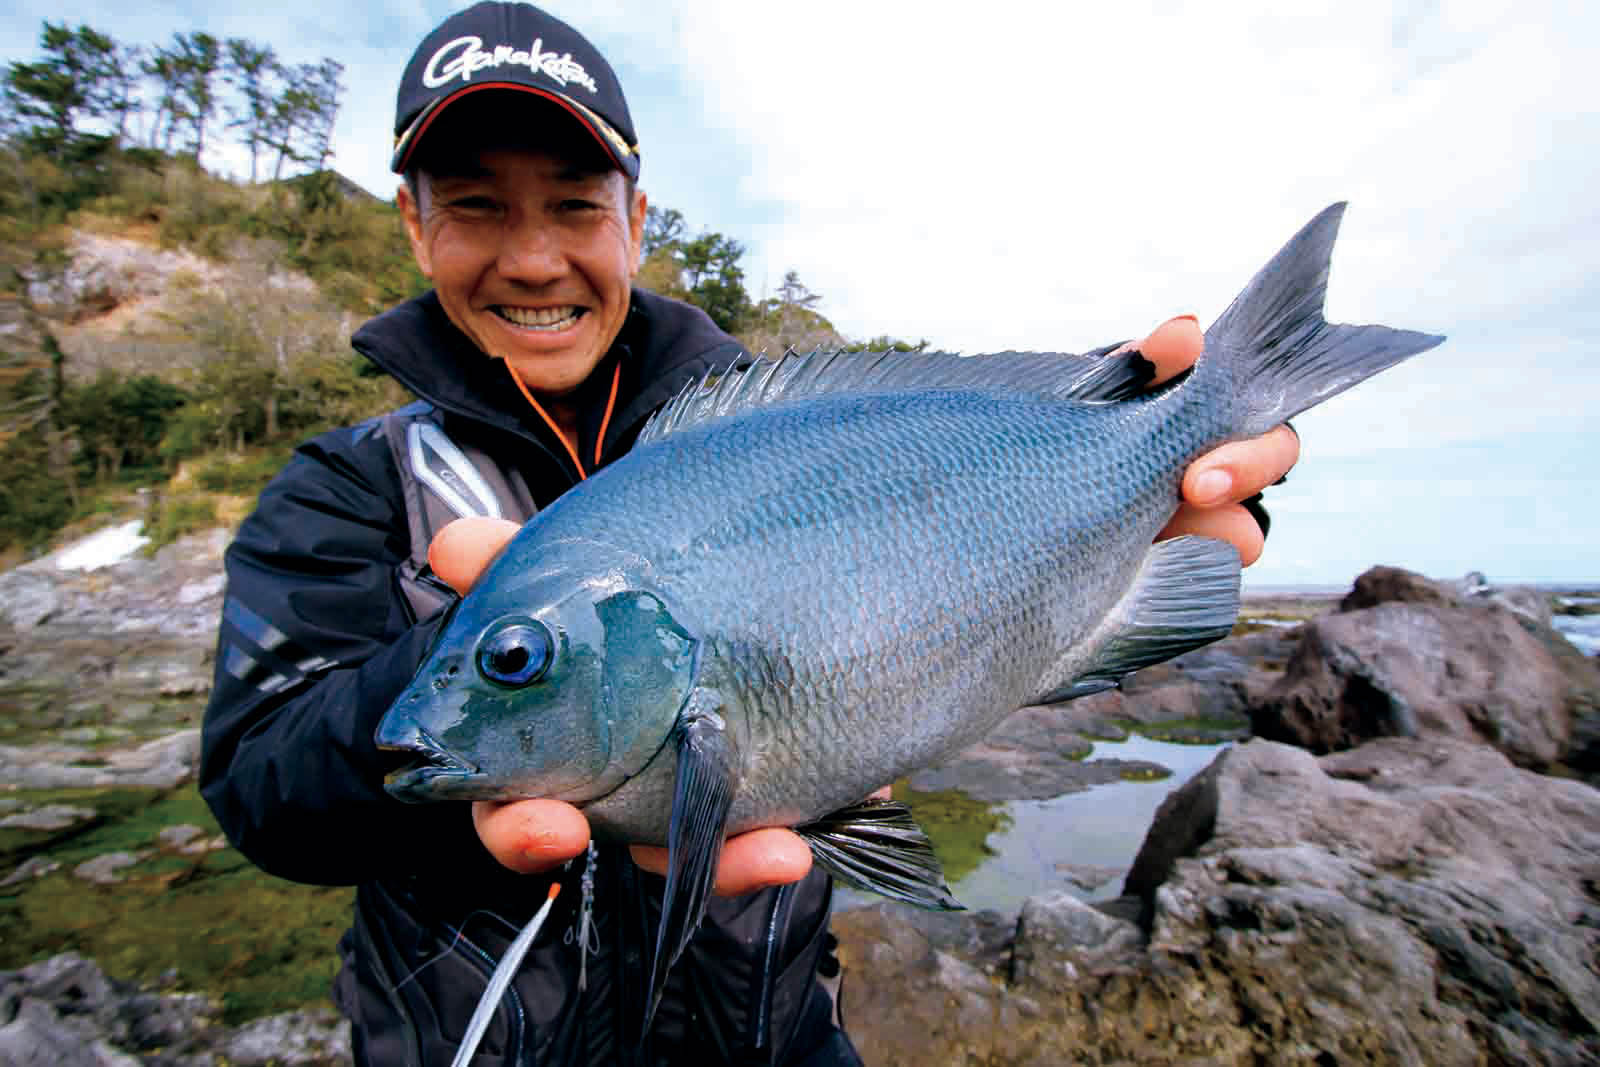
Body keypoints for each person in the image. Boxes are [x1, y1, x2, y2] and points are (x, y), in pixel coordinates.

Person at [198, 3, 1300, 1065]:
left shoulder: (783, 420)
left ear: (635, 218)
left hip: (771, 1035)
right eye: (476, 205)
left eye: (575, 204)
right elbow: (260, 784)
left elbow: (969, 506)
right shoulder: (344, 487)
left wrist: (1162, 470)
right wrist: (466, 686)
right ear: (413, 221)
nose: (532, 259)